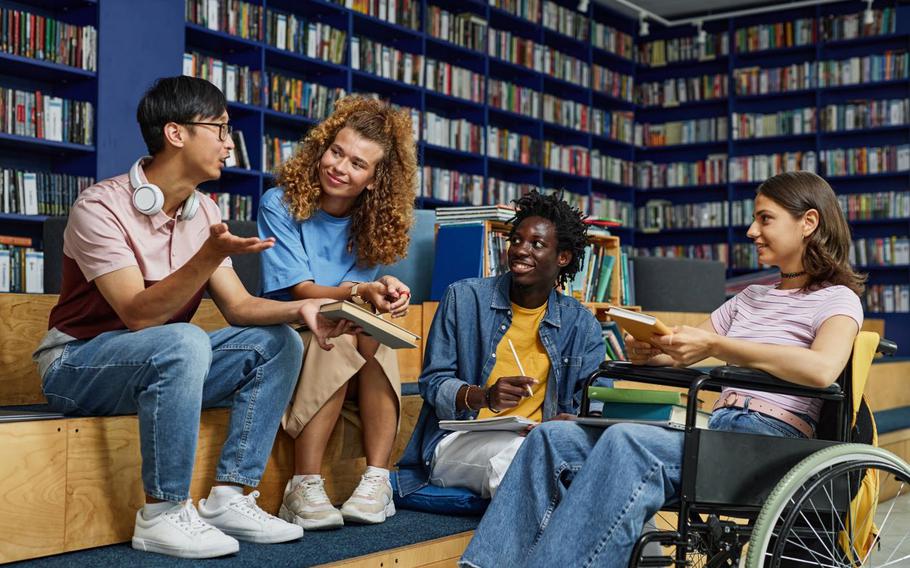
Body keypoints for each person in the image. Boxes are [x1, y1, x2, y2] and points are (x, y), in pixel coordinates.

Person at [460, 171, 867, 567]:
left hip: (769, 445)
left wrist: (718, 345)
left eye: (765, 219)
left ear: (808, 222)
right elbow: (683, 352)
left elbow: (821, 370)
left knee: (625, 444)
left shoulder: (837, 300)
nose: (751, 231)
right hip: (717, 433)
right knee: (553, 438)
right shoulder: (751, 297)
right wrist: (649, 350)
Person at [33, 76, 352, 559]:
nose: (229, 144)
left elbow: (240, 308)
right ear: (176, 133)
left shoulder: (202, 209)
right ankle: (162, 513)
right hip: (77, 366)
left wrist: (305, 310)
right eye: (220, 129)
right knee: (182, 340)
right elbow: (138, 315)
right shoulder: (100, 206)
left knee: (277, 343)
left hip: (160, 363)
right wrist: (205, 258)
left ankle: (229, 496)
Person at [257, 96, 417, 529]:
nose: (340, 167)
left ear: (374, 181)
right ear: (322, 147)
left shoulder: (372, 221)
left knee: (372, 334)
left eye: (358, 164)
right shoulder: (280, 202)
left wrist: (385, 289)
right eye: (336, 152)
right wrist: (362, 289)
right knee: (339, 334)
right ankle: (303, 485)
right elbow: (301, 290)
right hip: (290, 322)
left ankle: (376, 481)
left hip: (341, 323)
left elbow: (356, 297)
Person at [396, 190, 607, 503]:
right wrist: (485, 396)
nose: (521, 250)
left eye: (537, 244)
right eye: (517, 240)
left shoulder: (582, 325)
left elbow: (598, 401)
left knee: (598, 466)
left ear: (562, 257)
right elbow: (433, 383)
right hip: (459, 440)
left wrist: (572, 424)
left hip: (541, 442)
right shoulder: (463, 299)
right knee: (530, 461)